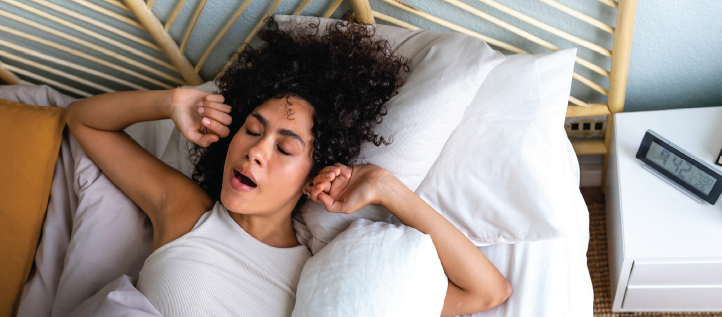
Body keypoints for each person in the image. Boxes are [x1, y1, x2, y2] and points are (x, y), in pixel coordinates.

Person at [65, 17, 510, 317]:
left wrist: (386, 187)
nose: (256, 151)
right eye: (253, 129)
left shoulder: (325, 277)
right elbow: (83, 120)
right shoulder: (187, 212)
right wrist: (170, 101)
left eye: (285, 147)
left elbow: (487, 291)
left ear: (313, 174)